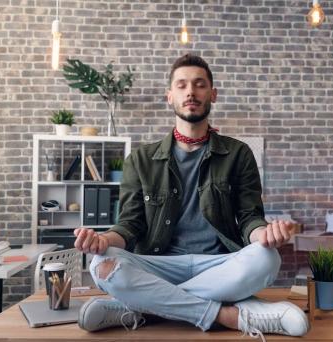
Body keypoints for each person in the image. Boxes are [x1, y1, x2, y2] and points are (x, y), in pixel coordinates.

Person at [73, 54, 308, 339]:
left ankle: (140, 308)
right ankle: (228, 315)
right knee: (101, 263)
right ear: (169, 96)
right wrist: (103, 240)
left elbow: (249, 219)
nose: (191, 92)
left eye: (199, 84)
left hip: (219, 263)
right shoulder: (140, 159)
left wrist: (265, 235)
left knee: (268, 259)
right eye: (182, 85)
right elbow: (130, 226)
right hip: (160, 264)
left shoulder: (238, 154)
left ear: (213, 94)